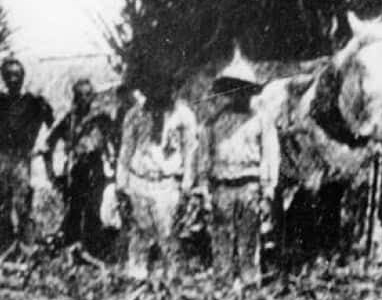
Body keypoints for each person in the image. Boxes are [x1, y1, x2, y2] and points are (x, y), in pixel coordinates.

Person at [194, 52, 278, 286]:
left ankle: (250, 282)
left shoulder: (261, 120)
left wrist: (268, 189)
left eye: (243, 89)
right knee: (221, 236)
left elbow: (271, 155)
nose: (239, 94)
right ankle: (223, 282)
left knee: (249, 237)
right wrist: (203, 187)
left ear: (250, 92)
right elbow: (204, 156)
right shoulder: (213, 122)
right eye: (234, 89)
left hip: (249, 184)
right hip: (222, 185)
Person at [117, 82, 197, 281]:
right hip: (140, 179)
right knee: (139, 230)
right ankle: (137, 275)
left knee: (167, 232)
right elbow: (126, 148)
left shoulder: (183, 115)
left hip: (166, 182)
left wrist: (188, 180)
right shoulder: (135, 114)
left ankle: (169, 277)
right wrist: (122, 181)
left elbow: (190, 150)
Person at [0, 58, 54, 249]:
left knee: (22, 202)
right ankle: (5, 241)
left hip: (21, 158)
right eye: (9, 75)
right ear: (3, 78)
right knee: (1, 201)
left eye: (17, 75)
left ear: (23, 77)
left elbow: (51, 122)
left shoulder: (33, 102)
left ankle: (26, 244)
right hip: (0, 156)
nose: (13, 79)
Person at [44, 78, 114, 255]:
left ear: (93, 96)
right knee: (74, 209)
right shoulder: (69, 119)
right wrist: (51, 173)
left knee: (93, 209)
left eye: (88, 95)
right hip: (75, 171)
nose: (84, 99)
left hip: (95, 170)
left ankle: (92, 248)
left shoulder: (101, 119)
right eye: (80, 95)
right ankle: (72, 246)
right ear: (74, 97)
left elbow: (115, 140)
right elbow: (49, 143)